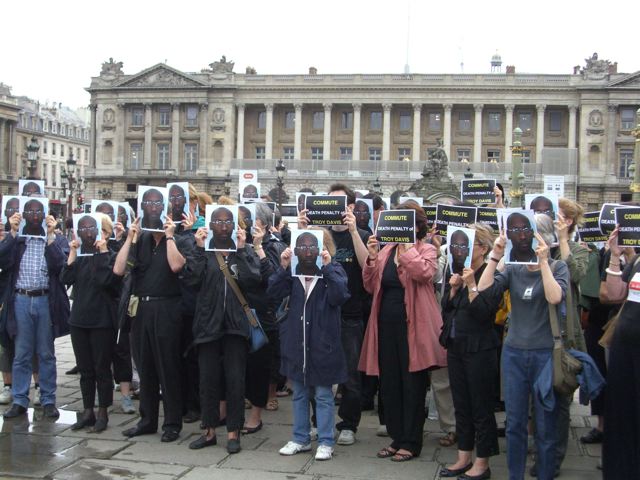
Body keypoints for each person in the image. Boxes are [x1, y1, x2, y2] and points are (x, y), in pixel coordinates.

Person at [477, 214, 569, 480]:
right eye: (517, 232)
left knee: (545, 423)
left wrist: (543, 264)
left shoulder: (557, 267)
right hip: (514, 353)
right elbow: (483, 291)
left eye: (528, 232)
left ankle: (545, 473)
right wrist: (495, 256)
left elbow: (555, 297)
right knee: (515, 423)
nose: (522, 237)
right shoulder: (513, 268)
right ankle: (514, 475)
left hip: (544, 355)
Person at [359, 202, 447, 462]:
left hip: (414, 326)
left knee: (412, 385)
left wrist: (408, 249)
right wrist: (372, 257)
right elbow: (370, 285)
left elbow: (424, 273)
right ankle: (397, 437)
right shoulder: (386, 250)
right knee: (389, 385)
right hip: (385, 324)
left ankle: (411, 441)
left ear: (416, 226)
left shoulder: (427, 249)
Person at [269, 228, 350, 461]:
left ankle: (326, 440)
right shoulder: (293, 274)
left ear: (322, 248)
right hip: (297, 343)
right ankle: (300, 438)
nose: (307, 251)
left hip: (323, 345)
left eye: (312, 246)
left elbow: (340, 296)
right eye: (301, 246)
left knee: (324, 395)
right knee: (299, 394)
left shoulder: (333, 270)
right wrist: (283, 267)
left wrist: (327, 267)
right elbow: (273, 292)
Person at [183, 219, 262, 454]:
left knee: (235, 379)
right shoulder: (204, 253)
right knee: (207, 379)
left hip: (236, 326)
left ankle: (233, 432)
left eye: (228, 222)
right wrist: (197, 247)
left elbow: (253, 280)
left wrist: (241, 248)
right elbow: (191, 280)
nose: (223, 226)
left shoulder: (242, 251)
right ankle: (208, 430)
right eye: (218, 222)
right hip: (208, 323)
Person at [114, 213, 189, 443]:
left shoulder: (179, 239)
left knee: (168, 368)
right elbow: (119, 269)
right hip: (141, 310)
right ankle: (147, 420)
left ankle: (172, 423)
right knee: (145, 368)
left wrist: (168, 237)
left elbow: (177, 266)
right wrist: (129, 237)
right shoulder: (141, 240)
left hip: (168, 308)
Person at [440, 224, 500, 479]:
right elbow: (447, 308)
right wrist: (453, 289)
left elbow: (484, 313)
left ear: (483, 249)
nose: (459, 249)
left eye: (467, 245)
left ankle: (482, 462)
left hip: (480, 348)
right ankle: (464, 456)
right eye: (457, 244)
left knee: (481, 406)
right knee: (461, 404)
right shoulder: (457, 270)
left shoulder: (491, 272)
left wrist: (472, 284)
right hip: (456, 345)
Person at [1, 209, 70, 420]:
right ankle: (20, 399)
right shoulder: (18, 240)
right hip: (21, 299)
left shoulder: (54, 239)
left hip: (44, 299)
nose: (34, 216)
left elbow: (62, 267)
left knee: (46, 352)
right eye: (29, 212)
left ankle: (48, 399)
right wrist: (12, 233)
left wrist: (50, 236)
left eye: (38, 212)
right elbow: (2, 260)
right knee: (21, 353)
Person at [61, 214, 121, 432]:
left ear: (104, 233)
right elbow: (65, 279)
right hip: (79, 319)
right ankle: (88, 411)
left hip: (102, 320)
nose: (88, 233)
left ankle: (103, 412)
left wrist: (103, 252)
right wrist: (73, 253)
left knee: (102, 369)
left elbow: (107, 281)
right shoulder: (81, 257)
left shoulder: (111, 256)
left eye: (94, 229)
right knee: (85, 369)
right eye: (83, 229)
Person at [601, 225, 640, 479]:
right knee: (625, 417)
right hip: (625, 350)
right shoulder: (636, 262)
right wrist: (615, 255)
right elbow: (614, 294)